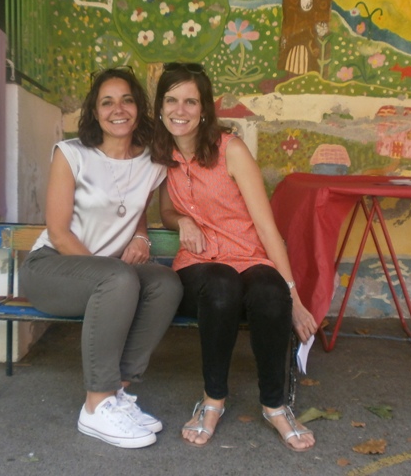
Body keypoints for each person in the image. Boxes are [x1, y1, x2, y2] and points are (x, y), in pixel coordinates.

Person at [151, 62, 317, 451]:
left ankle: (275, 406)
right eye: (171, 100)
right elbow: (166, 210)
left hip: (250, 255)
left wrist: (294, 296)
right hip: (200, 266)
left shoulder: (231, 150)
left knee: (271, 293)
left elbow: (266, 228)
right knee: (222, 285)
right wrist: (182, 222)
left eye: (190, 101)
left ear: (205, 108)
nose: (180, 109)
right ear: (160, 107)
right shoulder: (163, 154)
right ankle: (213, 401)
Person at [20, 66, 183, 449]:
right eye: (106, 102)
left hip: (111, 279)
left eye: (127, 99)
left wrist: (141, 234)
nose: (118, 109)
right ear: (94, 111)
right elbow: (59, 231)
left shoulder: (152, 161)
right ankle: (94, 406)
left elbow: (134, 203)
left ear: (139, 108)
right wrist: (106, 272)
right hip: (53, 270)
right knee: (120, 279)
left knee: (165, 283)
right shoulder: (71, 153)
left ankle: (117, 393)